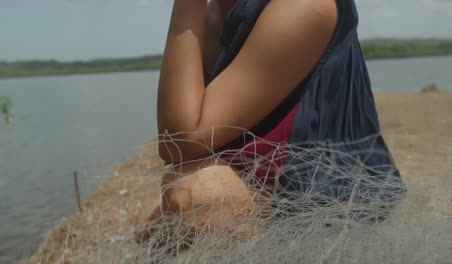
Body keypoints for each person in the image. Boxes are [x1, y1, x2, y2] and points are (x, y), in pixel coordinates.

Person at [136, 0, 406, 243]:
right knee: (152, 221)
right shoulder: (219, 9)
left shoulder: (305, 6)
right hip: (265, 185)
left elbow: (180, 141)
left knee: (197, 191)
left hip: (321, 205)